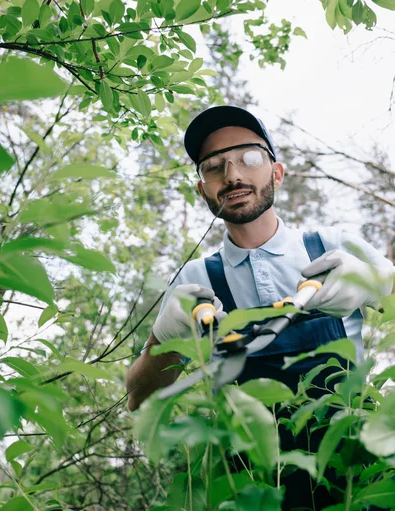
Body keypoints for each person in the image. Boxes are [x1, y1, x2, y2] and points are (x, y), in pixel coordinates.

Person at [126, 105, 394, 412]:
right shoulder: (194, 280)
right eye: (214, 166)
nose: (232, 175)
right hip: (248, 459)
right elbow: (138, 400)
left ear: (277, 174)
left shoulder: (333, 246)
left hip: (353, 453)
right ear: (202, 191)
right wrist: (163, 339)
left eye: (249, 158)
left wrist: (378, 283)